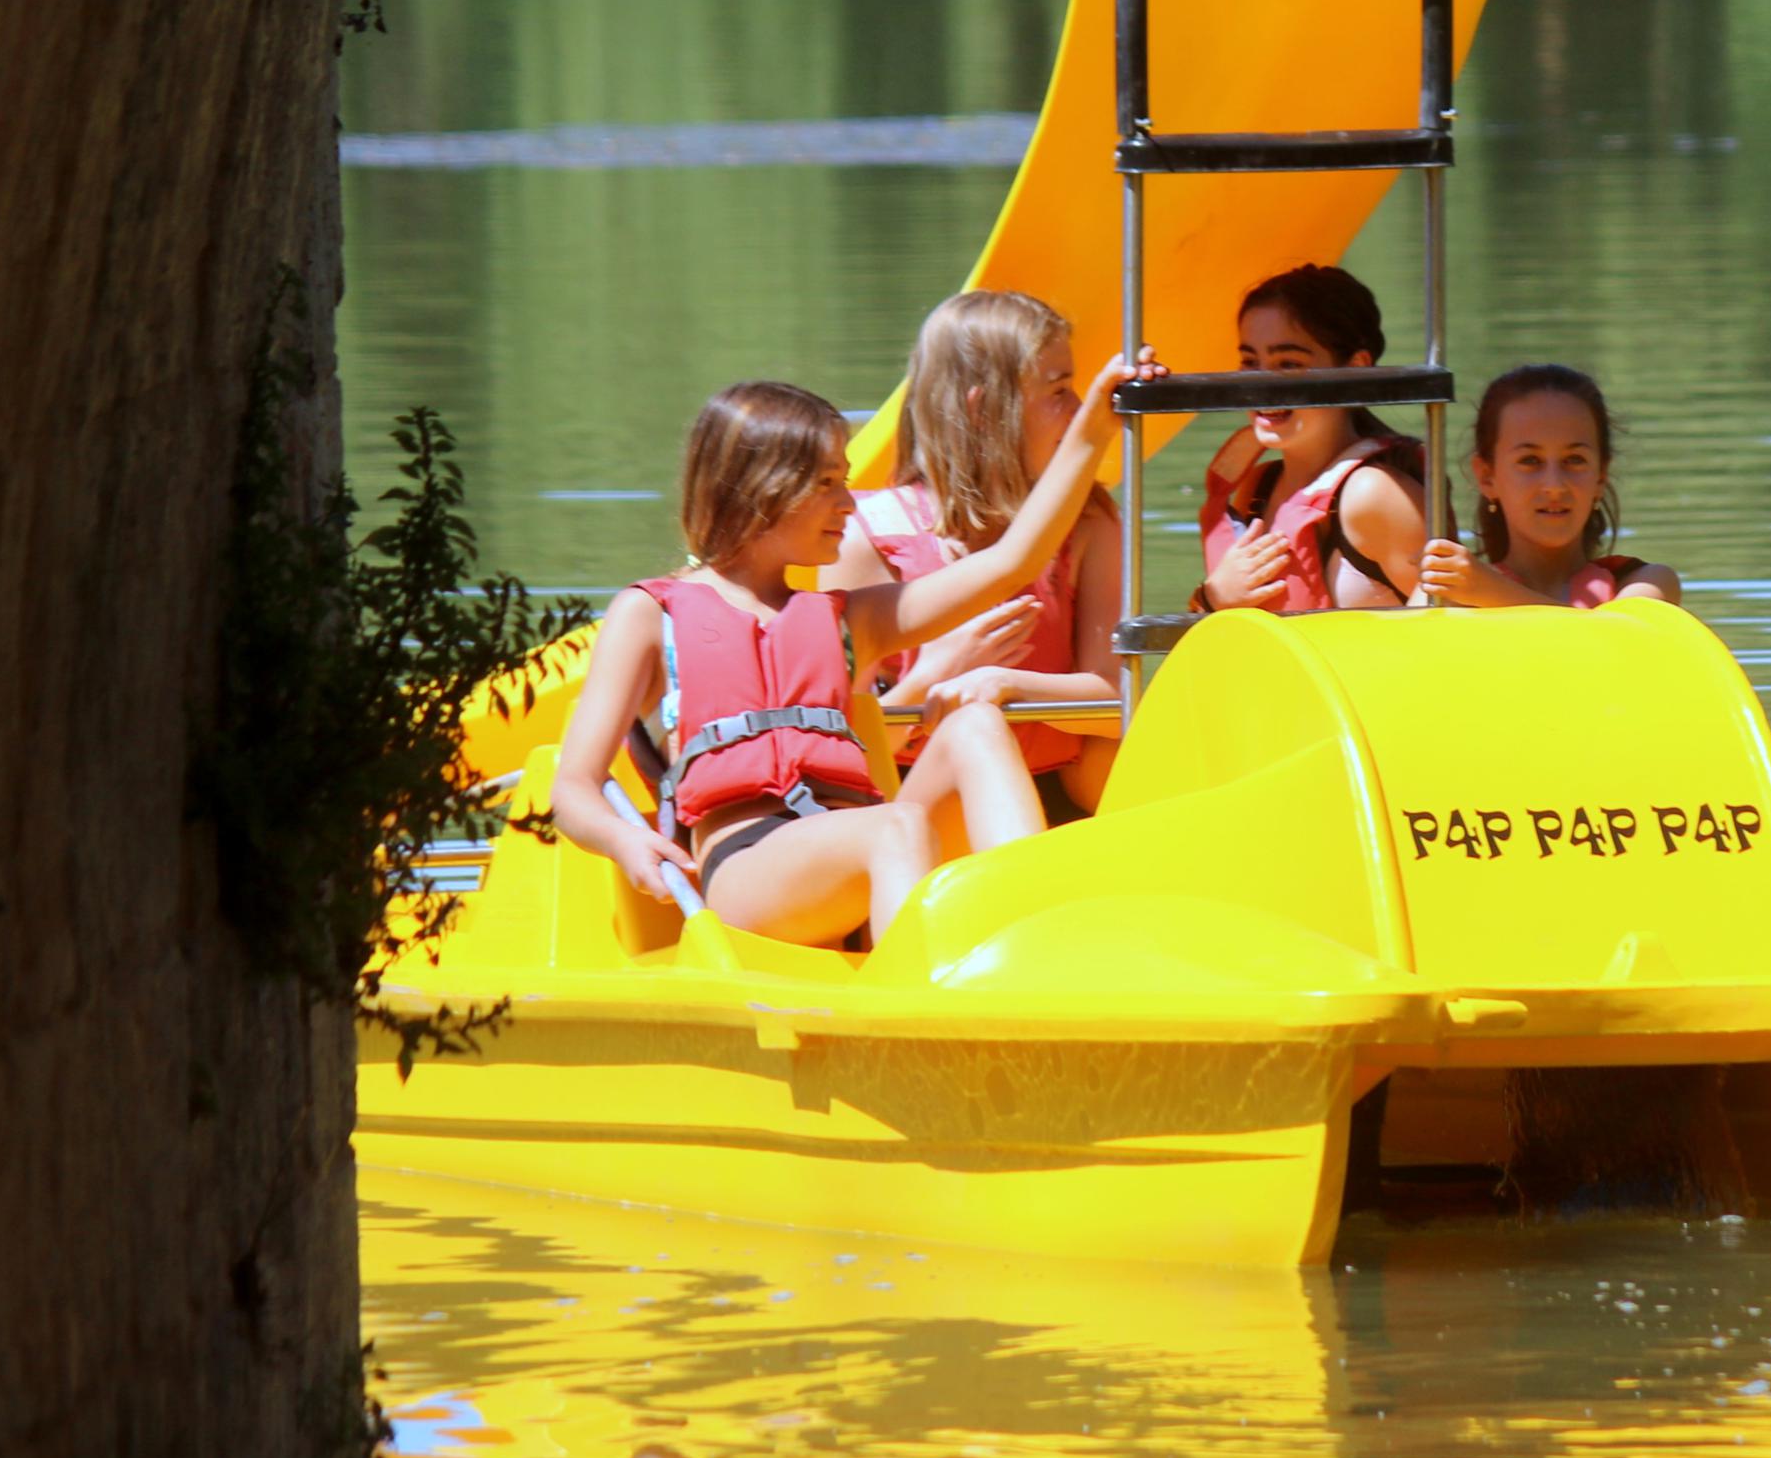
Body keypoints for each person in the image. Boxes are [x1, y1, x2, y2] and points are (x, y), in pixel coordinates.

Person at [549, 353, 1141, 948]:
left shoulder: (849, 618)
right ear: (765, 491)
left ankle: (1033, 943)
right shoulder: (651, 614)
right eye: (828, 484)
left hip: (869, 845)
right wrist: (625, 841)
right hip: (748, 865)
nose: (849, 505)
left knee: (976, 727)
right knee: (893, 828)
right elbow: (573, 786)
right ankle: (917, 1018)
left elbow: (1011, 561)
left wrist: (1091, 431)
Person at [828, 290, 1131, 816]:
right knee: (972, 728)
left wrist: (1003, 684)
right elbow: (841, 756)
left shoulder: (1089, 522)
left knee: (1110, 755)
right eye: (1058, 391)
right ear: (984, 409)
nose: (1080, 410)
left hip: (1059, 794)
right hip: (922, 808)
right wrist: (934, 677)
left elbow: (1113, 703)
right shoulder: (862, 539)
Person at [1193, 263, 1429, 614]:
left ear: (1355, 370)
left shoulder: (1375, 494)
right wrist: (1213, 599)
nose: (1261, 385)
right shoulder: (1257, 488)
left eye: (1288, 364)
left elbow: (1452, 630)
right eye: (1250, 362)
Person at [1416, 363, 1684, 610]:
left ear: (1600, 477)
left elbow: (1615, 642)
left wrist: (1495, 594)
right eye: (1530, 460)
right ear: (1487, 477)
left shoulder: (1647, 584)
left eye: (1574, 460)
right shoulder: (1444, 593)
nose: (1554, 486)